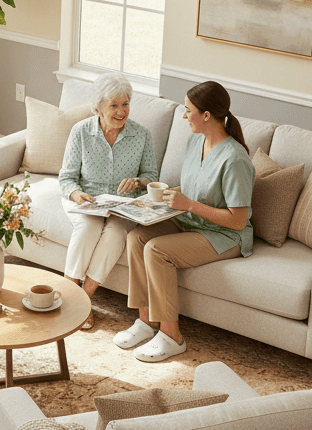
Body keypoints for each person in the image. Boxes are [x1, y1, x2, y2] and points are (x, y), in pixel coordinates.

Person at [114, 80, 254, 361]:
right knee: (137, 236)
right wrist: (163, 196)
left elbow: (238, 221)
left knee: (157, 250)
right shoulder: (195, 142)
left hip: (225, 236)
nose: (184, 115)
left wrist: (187, 204)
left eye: (188, 110)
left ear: (206, 115)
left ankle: (172, 336)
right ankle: (146, 322)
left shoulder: (235, 159)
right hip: (192, 221)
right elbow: (191, 189)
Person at [59, 72, 160, 330]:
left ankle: (82, 301)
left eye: (125, 104)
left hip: (123, 206)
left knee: (115, 234)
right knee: (88, 228)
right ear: (98, 108)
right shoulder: (81, 132)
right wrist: (75, 194)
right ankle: (72, 294)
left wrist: (138, 182)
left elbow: (152, 177)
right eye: (113, 105)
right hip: (87, 201)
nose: (121, 111)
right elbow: (67, 178)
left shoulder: (142, 135)